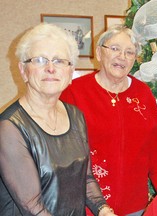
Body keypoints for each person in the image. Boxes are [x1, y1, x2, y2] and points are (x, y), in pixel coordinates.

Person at [0, 23, 116, 216]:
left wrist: (105, 211)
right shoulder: (9, 128)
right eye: (39, 60)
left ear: (71, 72)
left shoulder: (76, 116)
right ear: (23, 70)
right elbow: (32, 206)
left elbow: (85, 179)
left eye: (60, 61)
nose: (51, 68)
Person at [60, 24, 157, 216]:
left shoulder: (143, 94)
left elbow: (156, 152)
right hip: (87, 206)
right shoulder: (74, 92)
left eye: (129, 52)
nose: (122, 57)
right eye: (114, 49)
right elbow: (62, 152)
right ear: (99, 52)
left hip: (135, 207)